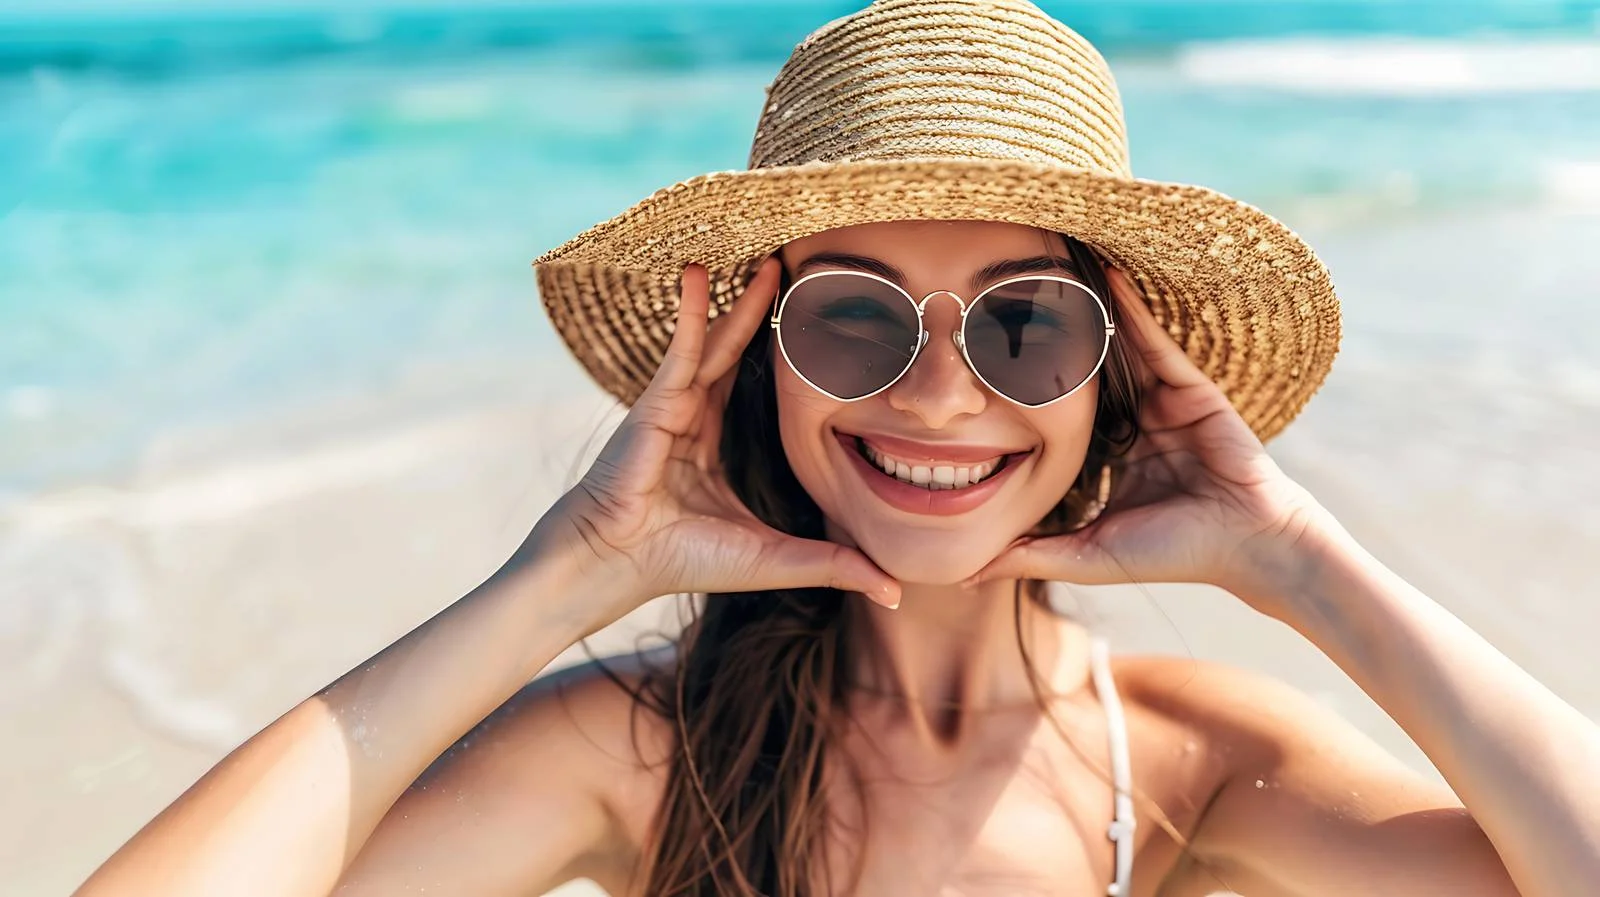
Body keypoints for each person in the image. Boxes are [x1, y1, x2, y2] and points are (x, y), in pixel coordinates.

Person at [76, 1, 1599, 895]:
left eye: (1028, 329)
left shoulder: (1191, 761)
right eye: (858, 324)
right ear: (754, 367)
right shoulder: (642, 752)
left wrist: (1307, 568)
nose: (941, 398)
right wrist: (561, 580)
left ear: (1111, 382)